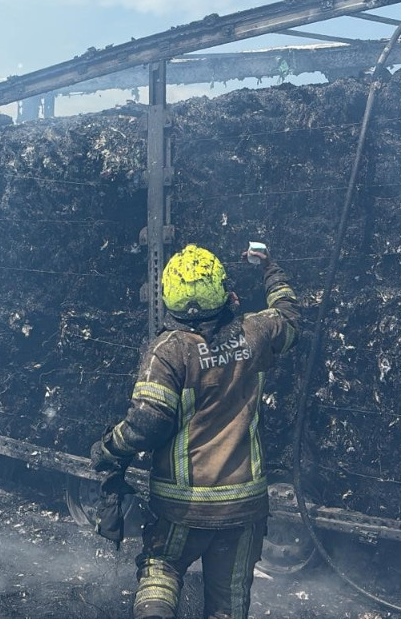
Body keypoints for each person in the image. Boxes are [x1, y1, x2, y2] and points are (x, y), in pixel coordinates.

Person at [90, 243, 300, 619]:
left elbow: (147, 423)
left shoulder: (169, 350)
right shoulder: (255, 332)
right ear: (222, 293)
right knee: (229, 598)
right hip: (243, 506)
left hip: (182, 506)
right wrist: (270, 268)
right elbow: (289, 316)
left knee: (161, 566)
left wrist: (109, 448)